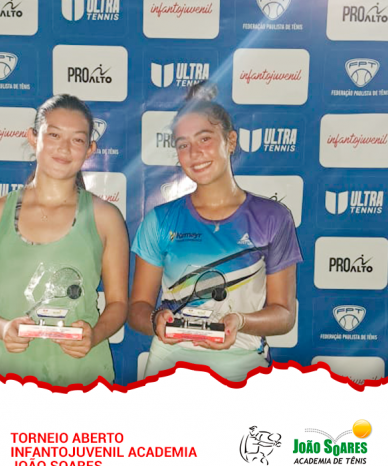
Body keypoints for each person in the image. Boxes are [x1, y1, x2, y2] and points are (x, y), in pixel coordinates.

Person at [128, 83, 303, 382]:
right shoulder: (160, 220)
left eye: (205, 139)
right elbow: (137, 310)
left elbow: (284, 315)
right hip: (169, 366)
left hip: (242, 365)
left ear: (230, 141)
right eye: (183, 144)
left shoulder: (273, 217)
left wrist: (240, 321)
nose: (194, 153)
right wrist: (156, 320)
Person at [0, 94, 129, 387]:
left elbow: (118, 304)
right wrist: (2, 328)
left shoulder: (106, 217)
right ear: (33, 137)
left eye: (77, 139)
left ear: (90, 149)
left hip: (86, 380)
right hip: (14, 379)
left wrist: (94, 335)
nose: (64, 147)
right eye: (54, 135)